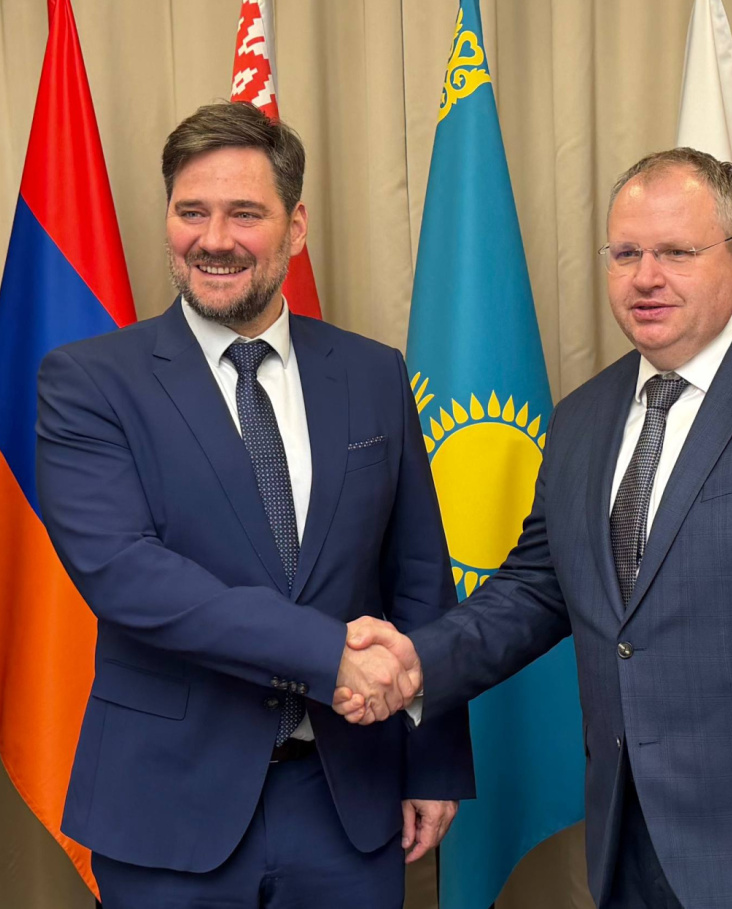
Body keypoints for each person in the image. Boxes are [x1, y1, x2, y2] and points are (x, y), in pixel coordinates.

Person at [339, 148, 732, 909]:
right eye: (626, 253)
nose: (645, 277)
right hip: (626, 841)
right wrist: (413, 660)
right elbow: (535, 589)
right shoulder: (581, 418)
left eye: (676, 252)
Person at [35, 101, 472, 908]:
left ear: (295, 227)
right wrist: (330, 652)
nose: (214, 239)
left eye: (245, 213)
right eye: (190, 212)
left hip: (350, 804)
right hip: (169, 808)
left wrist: (434, 758)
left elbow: (418, 575)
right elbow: (128, 576)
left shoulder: (373, 373)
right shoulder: (90, 381)